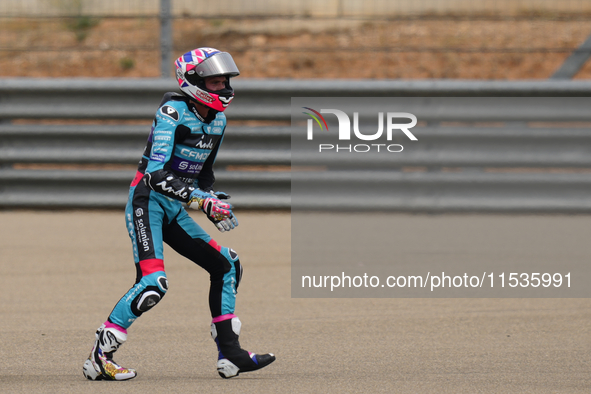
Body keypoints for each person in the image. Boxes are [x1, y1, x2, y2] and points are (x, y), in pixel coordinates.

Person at [82, 47, 276, 381]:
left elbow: (204, 175)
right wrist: (202, 202)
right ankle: (100, 356)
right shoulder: (172, 113)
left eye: (225, 81)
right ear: (193, 82)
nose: (224, 88)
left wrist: (211, 199)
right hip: (147, 202)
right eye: (215, 82)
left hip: (173, 207)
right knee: (153, 284)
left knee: (227, 265)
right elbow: (155, 175)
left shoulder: (219, 120)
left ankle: (230, 354)